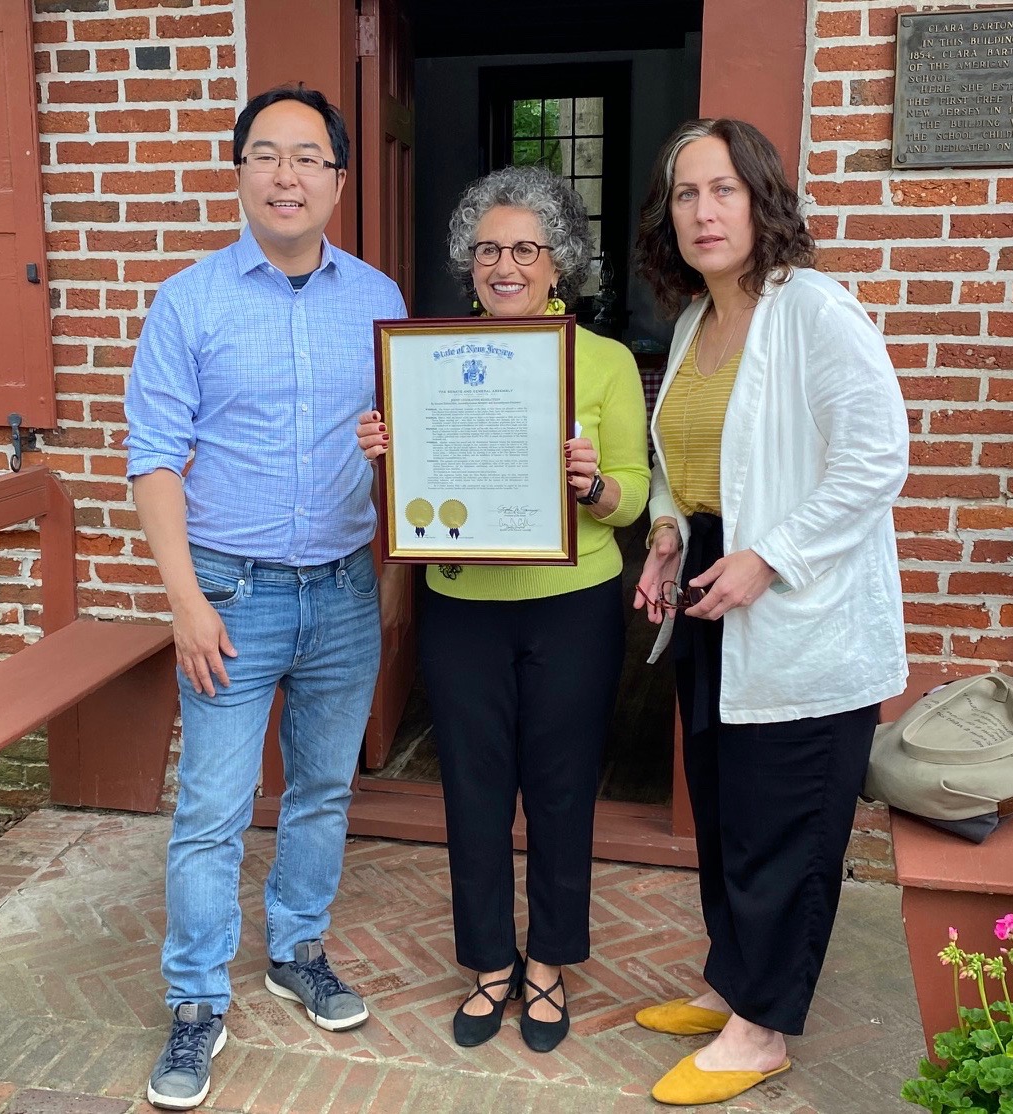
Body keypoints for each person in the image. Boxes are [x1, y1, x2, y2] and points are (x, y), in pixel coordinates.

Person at [125, 84, 406, 1111]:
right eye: (265, 155)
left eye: (307, 159)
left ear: (338, 179)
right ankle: (196, 1001)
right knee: (210, 808)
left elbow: (411, 454)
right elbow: (154, 460)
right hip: (229, 595)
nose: (286, 176)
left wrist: (393, 569)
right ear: (239, 170)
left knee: (324, 791)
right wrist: (184, 601)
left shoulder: (379, 299)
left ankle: (297, 948)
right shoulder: (188, 301)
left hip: (340, 589)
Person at [629, 118, 909, 1106]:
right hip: (713, 582)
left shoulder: (815, 311)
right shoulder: (694, 322)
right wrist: (668, 530)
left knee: (785, 821)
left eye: (723, 190)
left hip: (800, 605)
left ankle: (760, 1031)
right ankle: (729, 982)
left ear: (762, 199)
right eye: (684, 194)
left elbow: (875, 461)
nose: (702, 212)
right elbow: (683, 461)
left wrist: (769, 559)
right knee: (725, 804)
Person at [357, 166, 650, 1053]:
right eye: (488, 249)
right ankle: (490, 962)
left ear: (559, 263)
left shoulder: (601, 363)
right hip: (462, 606)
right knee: (475, 791)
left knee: (560, 791)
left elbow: (632, 497)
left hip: (574, 606)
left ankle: (551, 964)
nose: (505, 264)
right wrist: (391, 452)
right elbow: (422, 488)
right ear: (469, 263)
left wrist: (591, 483)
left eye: (526, 248)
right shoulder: (428, 359)